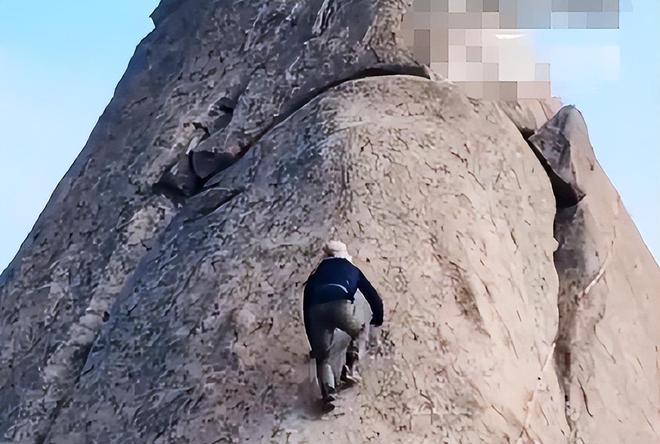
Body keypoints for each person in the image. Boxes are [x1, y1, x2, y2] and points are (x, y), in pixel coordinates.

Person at [302, 240, 384, 408]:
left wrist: (313, 342)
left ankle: (328, 393)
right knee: (359, 332)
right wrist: (378, 318)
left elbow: (306, 304)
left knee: (322, 356)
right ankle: (350, 367)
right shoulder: (351, 269)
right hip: (340, 304)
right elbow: (372, 296)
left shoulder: (316, 273)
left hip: (315, 310)